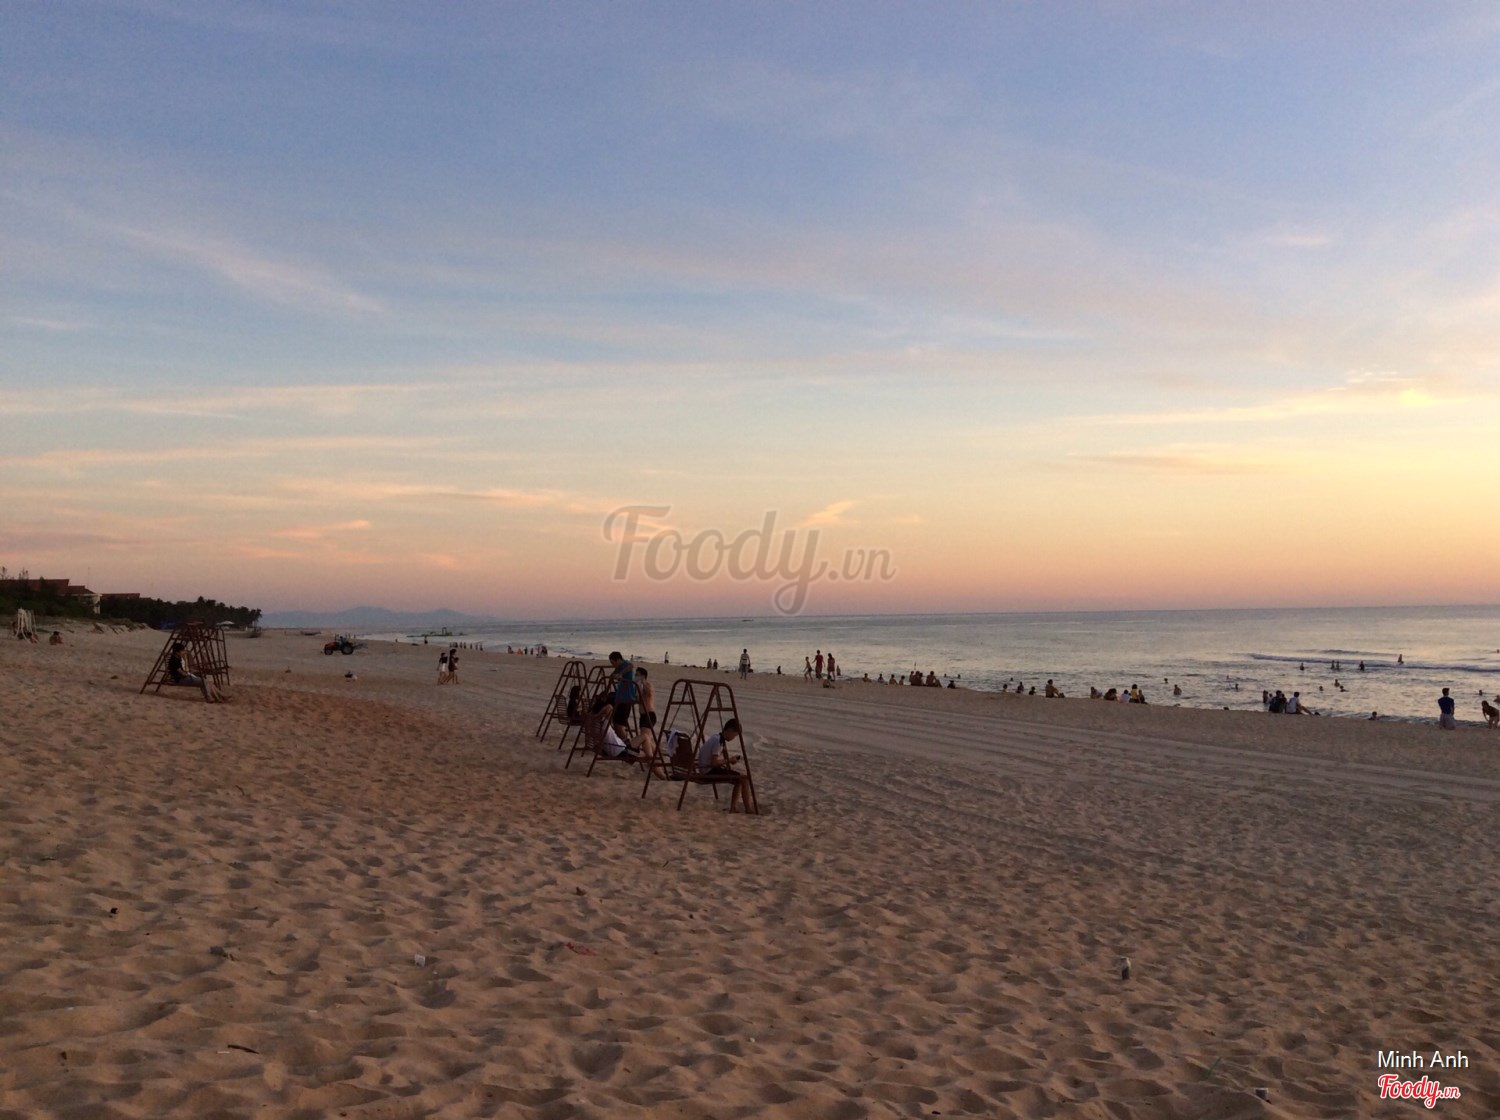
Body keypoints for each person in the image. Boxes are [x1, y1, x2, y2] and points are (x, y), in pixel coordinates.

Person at [698, 718, 753, 812]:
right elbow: (714, 763)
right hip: (708, 771)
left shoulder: (716, 737)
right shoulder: (718, 741)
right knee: (744, 779)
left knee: (738, 779)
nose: (733, 738)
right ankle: (748, 809)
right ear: (730, 730)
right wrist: (729, 760)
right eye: (734, 735)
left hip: (705, 768)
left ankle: (733, 807)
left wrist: (729, 760)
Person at [607, 651, 637, 723]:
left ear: (618, 660)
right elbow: (611, 676)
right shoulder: (619, 667)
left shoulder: (626, 664)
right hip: (621, 694)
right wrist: (615, 675)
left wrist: (620, 674)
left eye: (613, 663)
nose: (612, 665)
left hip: (626, 695)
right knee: (608, 697)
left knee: (620, 722)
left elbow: (631, 665)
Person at [636, 667, 656, 734]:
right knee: (646, 737)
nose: (636, 677)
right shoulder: (639, 687)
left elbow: (649, 692)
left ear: (643, 676)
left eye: (637, 675)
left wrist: (643, 682)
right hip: (642, 715)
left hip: (649, 714)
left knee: (644, 736)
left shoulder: (648, 685)